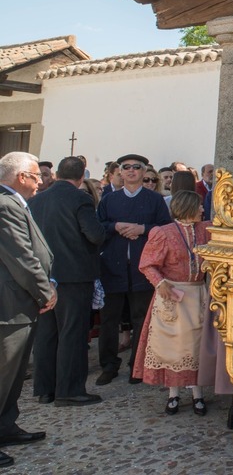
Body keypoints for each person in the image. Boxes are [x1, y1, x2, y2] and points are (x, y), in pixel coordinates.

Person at [27, 156, 105, 406]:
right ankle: (69, 390)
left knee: (46, 333)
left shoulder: (37, 200)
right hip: (73, 276)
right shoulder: (80, 198)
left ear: (57, 174)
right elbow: (93, 234)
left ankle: (45, 389)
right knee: (72, 332)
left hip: (43, 275)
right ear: (81, 177)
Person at [95, 154, 172, 386]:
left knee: (141, 318)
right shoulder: (109, 200)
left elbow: (165, 228)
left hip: (142, 268)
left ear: (144, 171)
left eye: (136, 167)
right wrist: (116, 226)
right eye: (126, 167)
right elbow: (98, 228)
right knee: (109, 319)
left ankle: (136, 366)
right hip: (113, 266)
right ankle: (108, 365)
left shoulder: (155, 200)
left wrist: (143, 228)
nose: (131, 171)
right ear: (119, 171)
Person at [0, 152, 55, 469]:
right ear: (22, 176)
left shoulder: (13, 202)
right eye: (37, 176)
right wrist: (45, 291)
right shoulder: (5, 204)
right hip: (9, 305)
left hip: (20, 304)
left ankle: (5, 426)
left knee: (13, 377)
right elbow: (21, 257)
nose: (40, 182)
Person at [133, 191, 210, 416]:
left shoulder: (205, 230)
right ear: (187, 207)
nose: (202, 209)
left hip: (197, 294)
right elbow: (147, 264)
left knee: (196, 346)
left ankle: (198, 395)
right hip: (173, 296)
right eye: (199, 206)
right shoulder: (163, 233)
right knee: (172, 347)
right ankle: (173, 394)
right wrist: (160, 284)